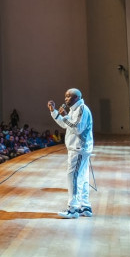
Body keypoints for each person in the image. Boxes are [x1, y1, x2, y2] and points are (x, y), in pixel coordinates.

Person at [48, 87, 94, 219]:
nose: (65, 99)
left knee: (72, 176)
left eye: (68, 96)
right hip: (79, 149)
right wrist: (54, 112)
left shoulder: (82, 109)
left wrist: (65, 116)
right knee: (83, 178)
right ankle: (85, 206)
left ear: (77, 98)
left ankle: (73, 208)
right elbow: (65, 125)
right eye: (65, 96)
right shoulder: (74, 110)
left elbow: (77, 128)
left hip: (79, 149)